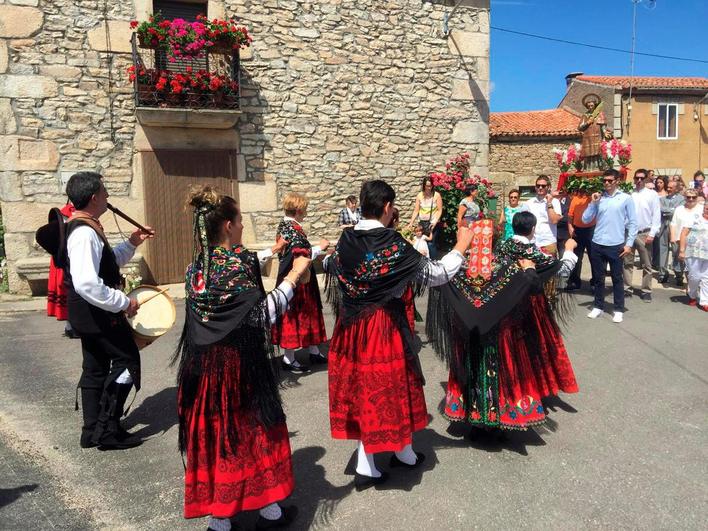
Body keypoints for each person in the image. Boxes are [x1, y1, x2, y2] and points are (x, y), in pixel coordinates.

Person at [174, 187, 311, 531]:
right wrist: (294, 276)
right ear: (228, 226)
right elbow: (261, 316)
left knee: (218, 436)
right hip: (237, 366)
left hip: (202, 368)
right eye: (239, 221)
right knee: (254, 432)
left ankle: (221, 519)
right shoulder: (237, 265)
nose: (241, 227)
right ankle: (269, 511)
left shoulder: (195, 269)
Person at [325, 180, 474, 490]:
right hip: (381, 326)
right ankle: (367, 463)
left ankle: (403, 450)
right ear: (388, 208)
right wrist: (461, 247)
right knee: (381, 391)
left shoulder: (346, 240)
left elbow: (334, 269)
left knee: (383, 389)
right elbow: (435, 274)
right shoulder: (391, 243)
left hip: (351, 326)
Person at [427, 210, 579, 432]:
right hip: (509, 318)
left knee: (476, 368)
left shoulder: (464, 268)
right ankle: (506, 408)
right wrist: (568, 252)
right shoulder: (512, 263)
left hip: (472, 331)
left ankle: (473, 412)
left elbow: (441, 278)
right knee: (519, 359)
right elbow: (540, 278)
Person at [63, 172, 153, 450]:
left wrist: (132, 243)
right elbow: (87, 282)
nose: (107, 197)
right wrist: (124, 302)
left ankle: (92, 430)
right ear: (93, 198)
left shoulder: (86, 227)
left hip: (90, 314)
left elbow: (107, 263)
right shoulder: (84, 233)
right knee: (127, 361)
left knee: (95, 367)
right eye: (104, 192)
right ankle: (107, 428)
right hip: (97, 314)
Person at [272, 192, 329, 372]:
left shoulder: (287, 225)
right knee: (295, 315)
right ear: (297, 210)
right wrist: (320, 248)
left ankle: (313, 349)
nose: (305, 212)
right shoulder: (292, 227)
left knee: (307, 313)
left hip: (298, 277)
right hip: (297, 278)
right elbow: (299, 253)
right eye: (303, 210)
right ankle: (289, 359)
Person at [583, 169, 638, 323]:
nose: (606, 183)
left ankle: (619, 308)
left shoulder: (626, 199)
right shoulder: (598, 198)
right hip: (598, 243)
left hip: (616, 245)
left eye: (609, 180)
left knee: (617, 278)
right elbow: (586, 219)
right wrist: (592, 203)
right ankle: (598, 306)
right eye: (604, 180)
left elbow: (633, 222)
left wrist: (629, 244)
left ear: (617, 181)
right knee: (598, 278)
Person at [623, 169, 660, 302]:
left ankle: (646, 290)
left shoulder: (652, 194)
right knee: (627, 262)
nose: (638, 181)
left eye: (641, 178)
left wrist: (652, 233)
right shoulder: (629, 194)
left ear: (646, 180)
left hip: (644, 233)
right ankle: (627, 288)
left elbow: (656, 214)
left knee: (647, 264)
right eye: (636, 178)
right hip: (629, 233)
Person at [47, 201, 76, 337]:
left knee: (69, 290)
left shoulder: (64, 214)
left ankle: (70, 326)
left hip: (62, 258)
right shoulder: (67, 215)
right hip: (65, 259)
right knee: (69, 290)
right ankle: (71, 326)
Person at [521, 175, 562, 256]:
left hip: (548, 242)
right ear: (535, 187)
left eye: (543, 186)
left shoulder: (555, 202)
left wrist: (549, 203)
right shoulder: (529, 203)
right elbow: (523, 222)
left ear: (548, 187)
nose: (540, 188)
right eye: (538, 185)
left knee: (550, 268)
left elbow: (554, 220)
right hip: (533, 242)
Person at [679, 201, 708, 311]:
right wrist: (682, 250)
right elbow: (684, 233)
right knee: (694, 276)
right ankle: (692, 295)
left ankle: (705, 301)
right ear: (704, 208)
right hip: (693, 252)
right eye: (707, 208)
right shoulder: (694, 218)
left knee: (706, 278)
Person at [670, 190, 703, 287]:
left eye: (693, 197)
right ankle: (679, 276)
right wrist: (672, 237)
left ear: (697, 197)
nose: (691, 199)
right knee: (679, 261)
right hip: (679, 239)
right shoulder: (679, 209)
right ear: (685, 197)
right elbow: (673, 224)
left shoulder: (701, 209)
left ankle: (691, 284)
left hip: (696, 241)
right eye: (688, 197)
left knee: (692, 264)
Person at [406, 176, 443, 259]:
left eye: (430, 186)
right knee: (421, 242)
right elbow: (416, 210)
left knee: (430, 243)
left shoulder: (436, 195)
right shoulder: (420, 195)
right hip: (422, 223)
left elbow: (439, 210)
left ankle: (433, 262)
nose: (429, 188)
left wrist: (435, 222)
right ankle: (423, 261)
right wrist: (411, 223)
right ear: (424, 185)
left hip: (432, 223)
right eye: (427, 186)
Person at [566, 189, 595, 291]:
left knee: (593, 257)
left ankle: (595, 283)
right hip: (577, 230)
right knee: (577, 257)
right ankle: (575, 282)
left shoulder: (593, 197)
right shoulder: (575, 199)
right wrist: (570, 227)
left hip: (591, 230)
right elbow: (570, 215)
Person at [657, 180, 684, 283]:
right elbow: (660, 209)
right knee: (663, 250)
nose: (668, 189)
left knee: (676, 251)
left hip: (676, 228)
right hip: (664, 227)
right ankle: (662, 273)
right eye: (667, 187)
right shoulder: (662, 199)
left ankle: (679, 274)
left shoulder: (682, 199)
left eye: (670, 188)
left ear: (676, 189)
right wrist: (671, 210)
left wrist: (667, 210)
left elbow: (678, 211)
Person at [577, 93, 606, 169]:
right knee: (588, 152)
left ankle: (598, 167)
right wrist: (587, 122)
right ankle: (588, 168)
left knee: (597, 152)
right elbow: (580, 127)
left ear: (595, 105)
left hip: (597, 136)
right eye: (589, 106)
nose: (590, 107)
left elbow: (603, 125)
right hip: (587, 137)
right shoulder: (585, 115)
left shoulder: (599, 114)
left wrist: (605, 133)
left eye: (592, 105)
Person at [555, 189, 571, 253]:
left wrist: (556, 219)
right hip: (550, 237)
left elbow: (566, 218)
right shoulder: (550, 200)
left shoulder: (570, 201)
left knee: (563, 257)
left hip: (563, 235)